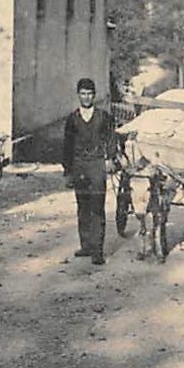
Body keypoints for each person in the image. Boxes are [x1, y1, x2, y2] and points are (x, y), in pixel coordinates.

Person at [62, 77, 117, 266]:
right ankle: (86, 245)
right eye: (83, 93)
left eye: (89, 93)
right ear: (78, 95)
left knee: (97, 207)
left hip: (96, 165)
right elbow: (67, 146)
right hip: (78, 165)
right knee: (82, 206)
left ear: (94, 95)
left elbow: (111, 138)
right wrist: (68, 170)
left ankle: (97, 251)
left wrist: (109, 158)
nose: (86, 97)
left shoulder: (103, 117)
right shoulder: (72, 119)